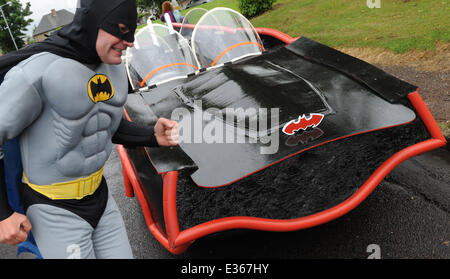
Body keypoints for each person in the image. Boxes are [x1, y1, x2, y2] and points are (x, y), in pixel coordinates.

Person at [0, 0, 179, 258]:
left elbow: (104, 125)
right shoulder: (34, 74)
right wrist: (3, 213)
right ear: (92, 22)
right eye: (119, 29)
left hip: (101, 198)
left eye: (131, 29)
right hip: (53, 209)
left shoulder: (113, 67)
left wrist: (152, 135)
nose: (128, 41)